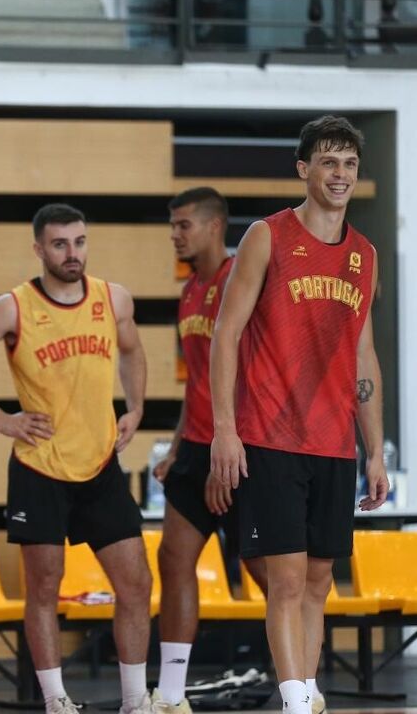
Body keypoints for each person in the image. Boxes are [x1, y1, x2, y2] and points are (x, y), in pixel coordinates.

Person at [0, 203, 152, 714]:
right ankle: (56, 701)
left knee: (137, 583)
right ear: (39, 249)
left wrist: (136, 407)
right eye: (59, 244)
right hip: (40, 470)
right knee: (44, 590)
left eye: (79, 241)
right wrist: (1, 420)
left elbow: (132, 350)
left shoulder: (113, 298)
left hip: (100, 466)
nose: (72, 253)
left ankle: (135, 700)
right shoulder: (13, 308)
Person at [209, 115, 387, 714]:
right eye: (329, 162)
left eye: (349, 164)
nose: (340, 174)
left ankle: (306, 696)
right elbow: (225, 333)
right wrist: (225, 430)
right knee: (284, 582)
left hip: (334, 444)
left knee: (318, 582)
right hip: (271, 436)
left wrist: (375, 450)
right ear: (303, 169)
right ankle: (295, 703)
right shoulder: (267, 236)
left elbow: (363, 354)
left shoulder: (365, 255)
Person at [150, 187, 268, 711]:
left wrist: (226, 456)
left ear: (215, 225)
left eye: (184, 225)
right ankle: (172, 695)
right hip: (196, 447)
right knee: (173, 559)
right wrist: (176, 447)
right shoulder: (189, 290)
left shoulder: (239, 279)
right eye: (172, 226)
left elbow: (247, 376)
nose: (175, 235)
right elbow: (197, 379)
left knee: (267, 574)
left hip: (239, 447)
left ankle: (303, 684)